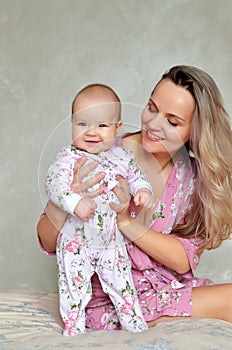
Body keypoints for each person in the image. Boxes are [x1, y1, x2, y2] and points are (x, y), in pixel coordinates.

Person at [38, 65, 232, 331]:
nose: (154, 124)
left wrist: (125, 222)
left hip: (161, 289)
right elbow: (48, 241)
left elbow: (183, 259)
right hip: (108, 296)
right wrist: (69, 199)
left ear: (195, 130)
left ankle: (161, 318)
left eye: (172, 122)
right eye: (152, 108)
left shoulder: (192, 177)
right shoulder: (100, 153)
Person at [45, 83, 154, 335]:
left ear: (117, 129)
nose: (91, 132)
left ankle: (135, 325)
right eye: (82, 124)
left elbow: (136, 175)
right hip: (76, 241)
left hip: (111, 240)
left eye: (101, 126)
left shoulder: (123, 157)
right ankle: (74, 328)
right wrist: (74, 203)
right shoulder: (68, 158)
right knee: (74, 286)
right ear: (71, 123)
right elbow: (54, 185)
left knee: (122, 283)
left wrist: (142, 190)